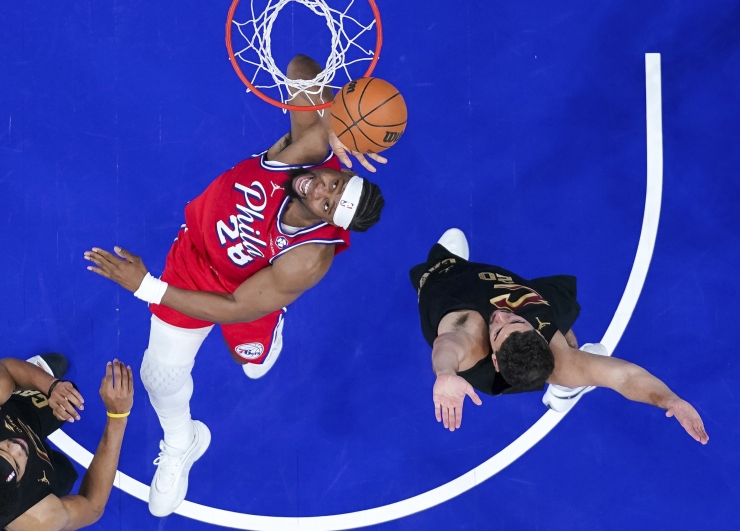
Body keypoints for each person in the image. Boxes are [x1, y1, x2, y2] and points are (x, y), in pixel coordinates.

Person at [83, 54, 387, 516]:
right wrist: (340, 116)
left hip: (246, 295)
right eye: (334, 183)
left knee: (250, 360)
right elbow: (300, 67)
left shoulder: (308, 258)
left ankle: (268, 336)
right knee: (157, 376)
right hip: (192, 260)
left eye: (329, 203)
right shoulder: (309, 149)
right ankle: (182, 440)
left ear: (327, 220)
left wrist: (145, 286)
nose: (320, 189)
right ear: (341, 168)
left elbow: (235, 307)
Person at [409, 228, 709, 444]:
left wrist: (446, 374)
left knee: (440, 269)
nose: (500, 316)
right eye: (512, 322)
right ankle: (566, 385)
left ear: (496, 360)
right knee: (566, 341)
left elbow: (446, 344)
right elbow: (625, 377)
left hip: (448, 282)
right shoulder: (543, 345)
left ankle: (448, 261)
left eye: (502, 328)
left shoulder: (470, 332)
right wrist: (671, 400)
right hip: (511, 297)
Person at [0, 354, 134, 531]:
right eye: (16, 465)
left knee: (67, 394)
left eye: (2, 448)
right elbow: (92, 505)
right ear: (16, 495)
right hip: (28, 496)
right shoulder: (37, 518)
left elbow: (6, 369)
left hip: (20, 415)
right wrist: (117, 417)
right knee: (65, 476)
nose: (18, 447)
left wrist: (52, 386)